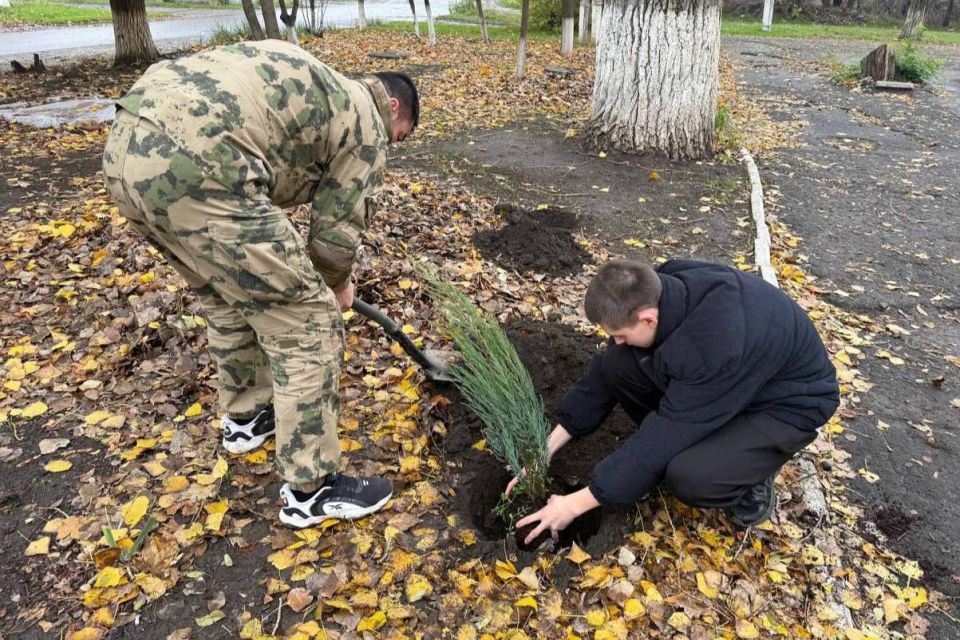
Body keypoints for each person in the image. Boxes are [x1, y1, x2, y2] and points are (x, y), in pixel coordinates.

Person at [102, 40, 419, 529]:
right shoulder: (367, 122)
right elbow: (335, 238)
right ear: (393, 107)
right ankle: (312, 489)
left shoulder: (323, 88)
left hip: (127, 149)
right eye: (401, 138)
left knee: (228, 295)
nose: (393, 148)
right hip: (202, 161)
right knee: (306, 320)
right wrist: (335, 288)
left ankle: (247, 419)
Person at [515, 258, 839, 544]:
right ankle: (708, 438)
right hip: (734, 378)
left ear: (648, 319)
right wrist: (549, 446)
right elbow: (604, 371)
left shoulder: (709, 349)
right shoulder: (665, 284)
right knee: (616, 363)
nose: (615, 341)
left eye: (620, 334)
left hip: (786, 403)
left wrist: (572, 505)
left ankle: (751, 473)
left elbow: (664, 436)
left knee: (690, 475)